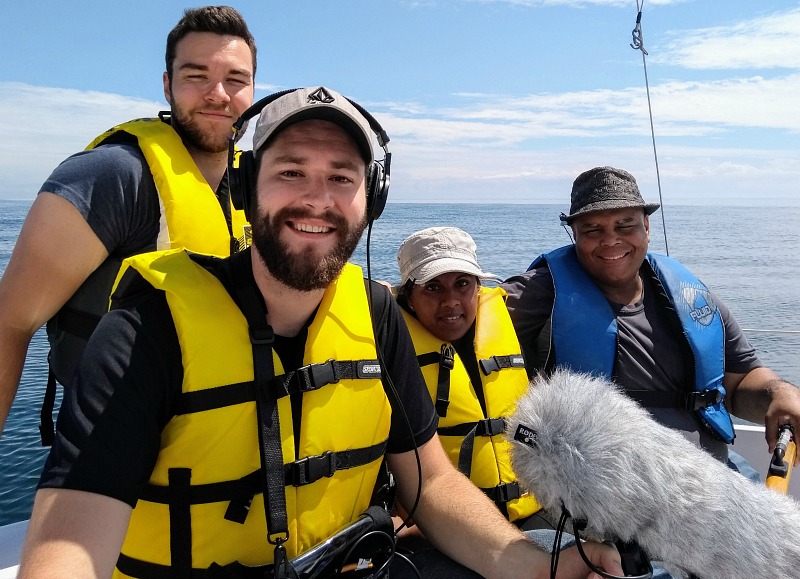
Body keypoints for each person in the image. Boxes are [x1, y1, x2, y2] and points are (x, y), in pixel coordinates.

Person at [17, 87, 622, 579]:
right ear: (246, 186)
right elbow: (72, 536)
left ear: (371, 198)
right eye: (291, 171)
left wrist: (532, 566)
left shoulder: (378, 316)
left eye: (342, 177)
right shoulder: (147, 326)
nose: (317, 199)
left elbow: (431, 482)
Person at [0, 5, 256, 438]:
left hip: (223, 440)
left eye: (236, 80)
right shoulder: (110, 176)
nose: (218, 94)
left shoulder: (257, 182)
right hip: (116, 450)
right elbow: (11, 321)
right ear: (167, 85)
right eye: (196, 76)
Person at [502, 166, 800, 469]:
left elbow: (739, 382)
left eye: (625, 225)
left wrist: (780, 394)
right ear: (574, 234)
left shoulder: (687, 293)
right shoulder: (542, 290)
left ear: (647, 226)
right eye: (592, 229)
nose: (610, 240)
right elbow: (467, 312)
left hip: (712, 472)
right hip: (608, 490)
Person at [393, 226, 545, 529]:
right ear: (409, 296)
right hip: (447, 526)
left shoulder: (514, 325)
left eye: (462, 284)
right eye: (433, 288)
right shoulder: (390, 349)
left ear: (478, 287)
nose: (450, 301)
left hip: (533, 509)